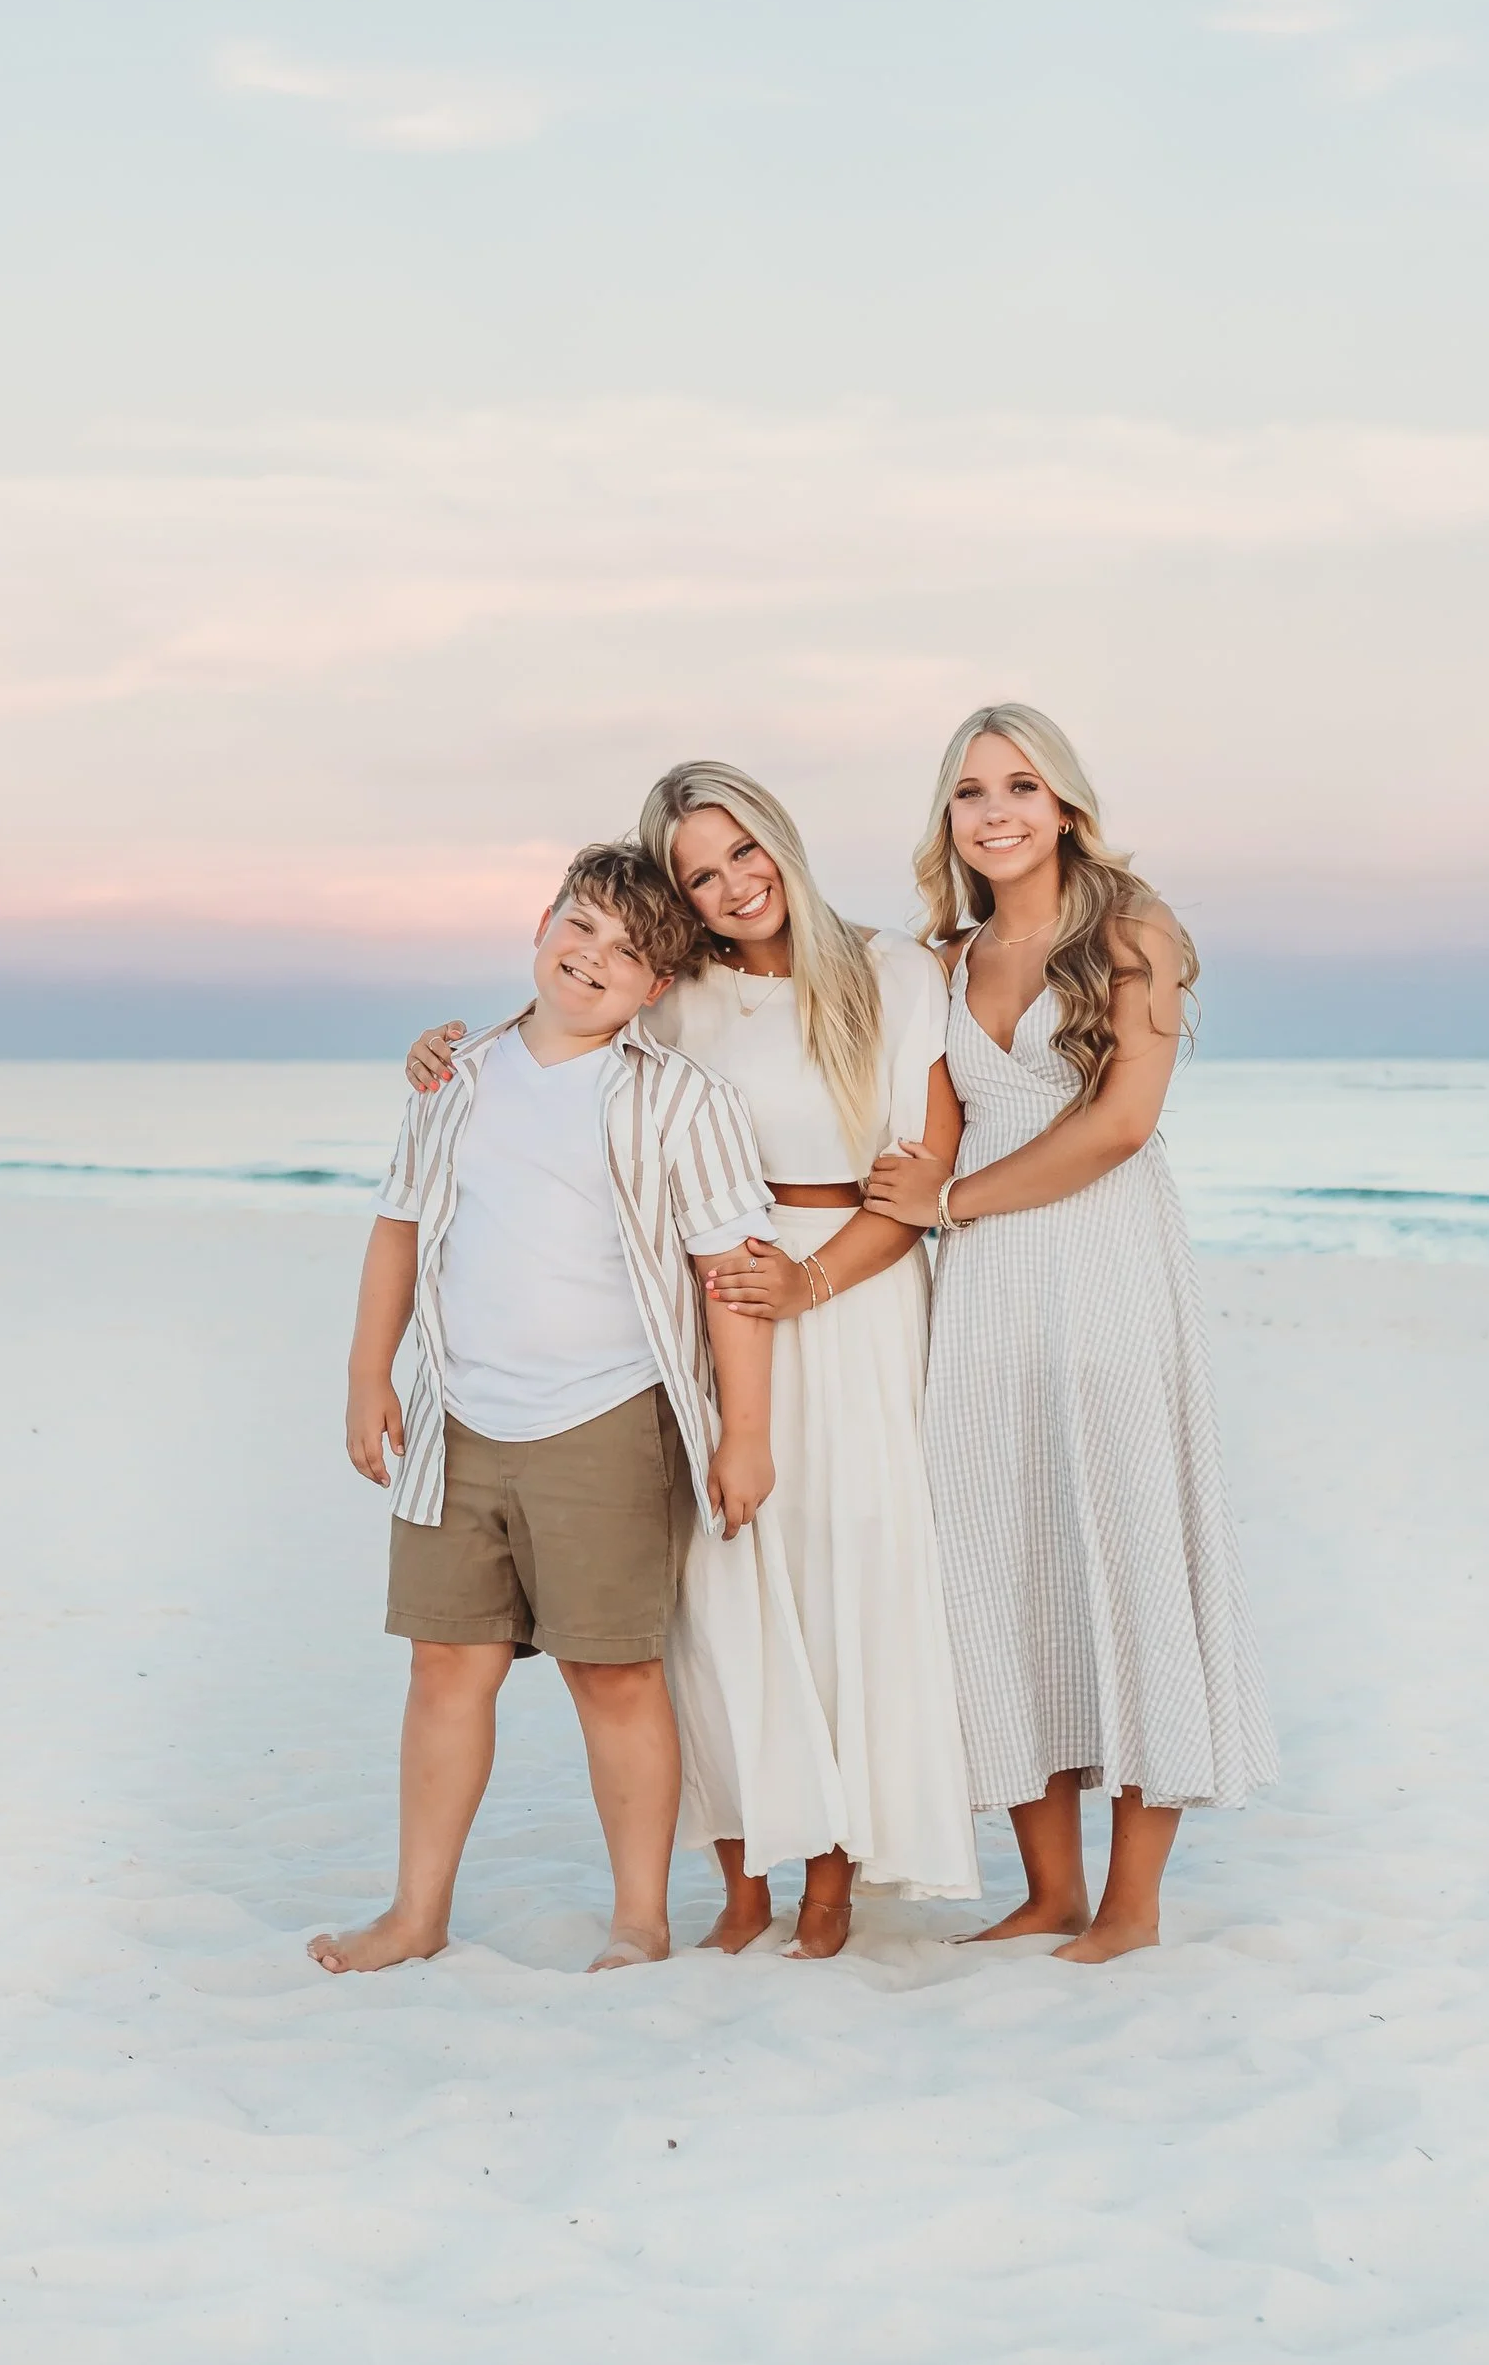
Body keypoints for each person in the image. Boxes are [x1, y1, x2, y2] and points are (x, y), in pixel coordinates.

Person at [408, 765, 979, 1960]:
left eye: (741, 850)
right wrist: (438, 1057)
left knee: (840, 1582)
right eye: (697, 872)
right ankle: (742, 1878)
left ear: (780, 835)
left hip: (851, 1294)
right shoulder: (677, 997)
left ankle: (834, 1879)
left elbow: (923, 1172)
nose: (731, 884)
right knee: (711, 1609)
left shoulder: (891, 971)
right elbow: (565, 1037)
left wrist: (813, 1278)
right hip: (707, 1292)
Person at [314, 842, 777, 1977]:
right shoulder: (457, 1077)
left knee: (612, 1672)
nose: (592, 959)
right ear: (543, 921)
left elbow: (732, 1271)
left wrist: (746, 1434)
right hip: (458, 1417)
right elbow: (400, 1227)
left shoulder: (676, 1098)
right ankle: (415, 1911)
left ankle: (639, 1919)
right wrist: (369, 1374)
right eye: (581, 927)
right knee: (444, 1666)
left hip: (605, 1421)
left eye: (627, 955)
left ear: (656, 990)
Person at [863, 704, 1277, 1962]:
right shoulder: (938, 963)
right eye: (970, 792)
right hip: (982, 1292)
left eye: (1021, 787)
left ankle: (1131, 1904)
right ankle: (1045, 1888)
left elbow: (1117, 1126)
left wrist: (951, 1203)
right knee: (1000, 1558)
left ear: (1065, 807)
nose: (996, 811)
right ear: (948, 819)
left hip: (1101, 1268)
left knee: (1129, 1548)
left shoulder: (1133, 933)